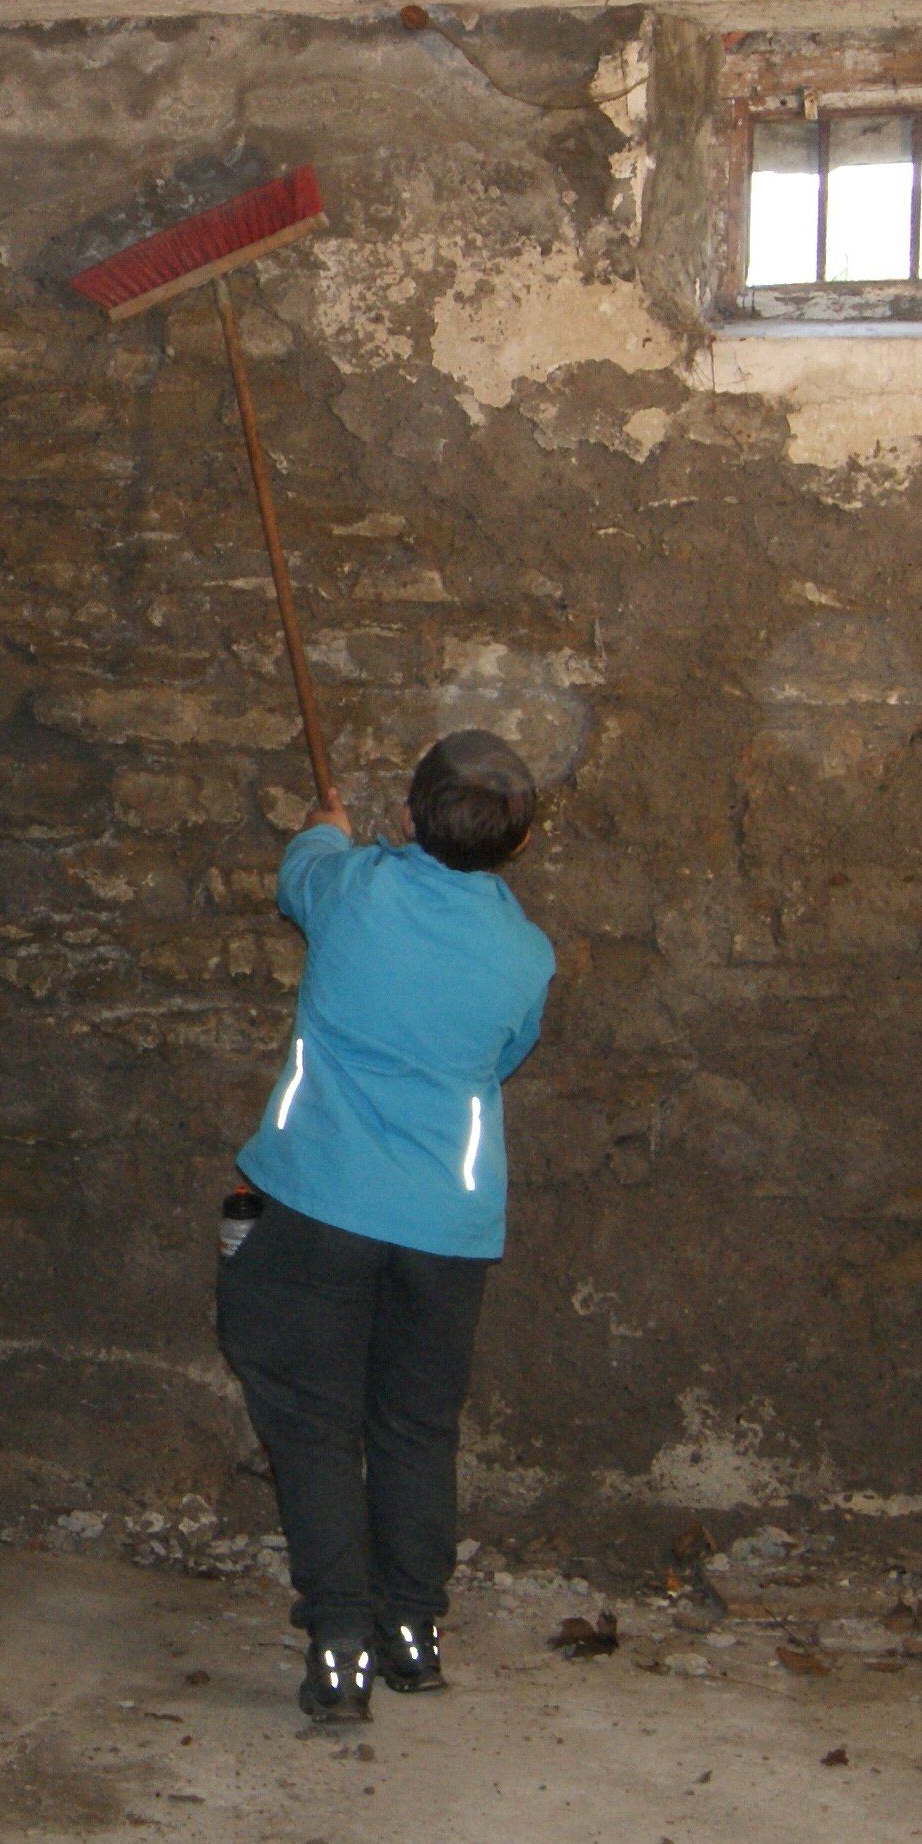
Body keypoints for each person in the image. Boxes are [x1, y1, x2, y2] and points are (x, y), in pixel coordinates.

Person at [214, 729, 556, 1727]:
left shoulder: (352, 890)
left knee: (313, 1422)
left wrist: (325, 825)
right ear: (515, 846)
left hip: (320, 1202)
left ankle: (338, 1643)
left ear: (404, 817)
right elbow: (502, 1057)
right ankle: (412, 1631)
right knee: (415, 1427)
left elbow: (303, 871)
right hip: (446, 1227)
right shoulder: (525, 957)